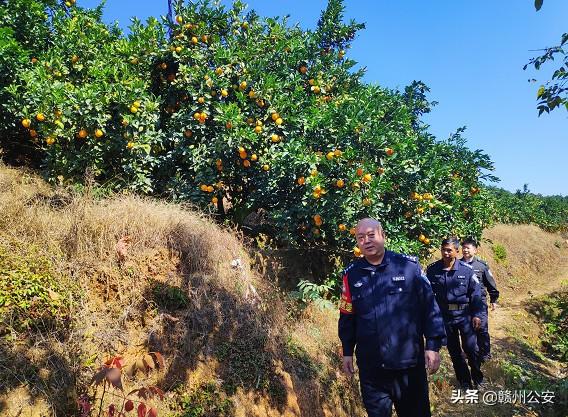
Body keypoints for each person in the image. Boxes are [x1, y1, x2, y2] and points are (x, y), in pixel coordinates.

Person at [338, 218, 446, 417]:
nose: (367, 241)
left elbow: (429, 307)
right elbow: (347, 316)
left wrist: (433, 345)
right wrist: (347, 351)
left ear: (383, 236)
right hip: (372, 369)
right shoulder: (351, 275)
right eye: (361, 238)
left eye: (371, 235)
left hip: (408, 365)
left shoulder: (408, 267)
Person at [426, 237, 484, 390]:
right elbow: (427, 295)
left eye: (449, 250)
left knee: (471, 349)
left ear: (457, 252)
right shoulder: (432, 270)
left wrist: (477, 314)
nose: (445, 253)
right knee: (454, 351)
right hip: (444, 317)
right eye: (443, 249)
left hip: (464, 315)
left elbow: (476, 294)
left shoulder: (466, 270)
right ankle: (464, 381)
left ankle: (477, 376)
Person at [461, 237, 499, 362]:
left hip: (480, 302)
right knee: (467, 330)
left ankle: (485, 354)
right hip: (464, 303)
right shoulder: (457, 265)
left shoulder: (481, 266)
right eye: (464, 247)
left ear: (475, 250)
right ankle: (471, 353)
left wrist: (494, 299)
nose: (465, 250)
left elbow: (490, 283)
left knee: (481, 329)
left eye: (468, 248)